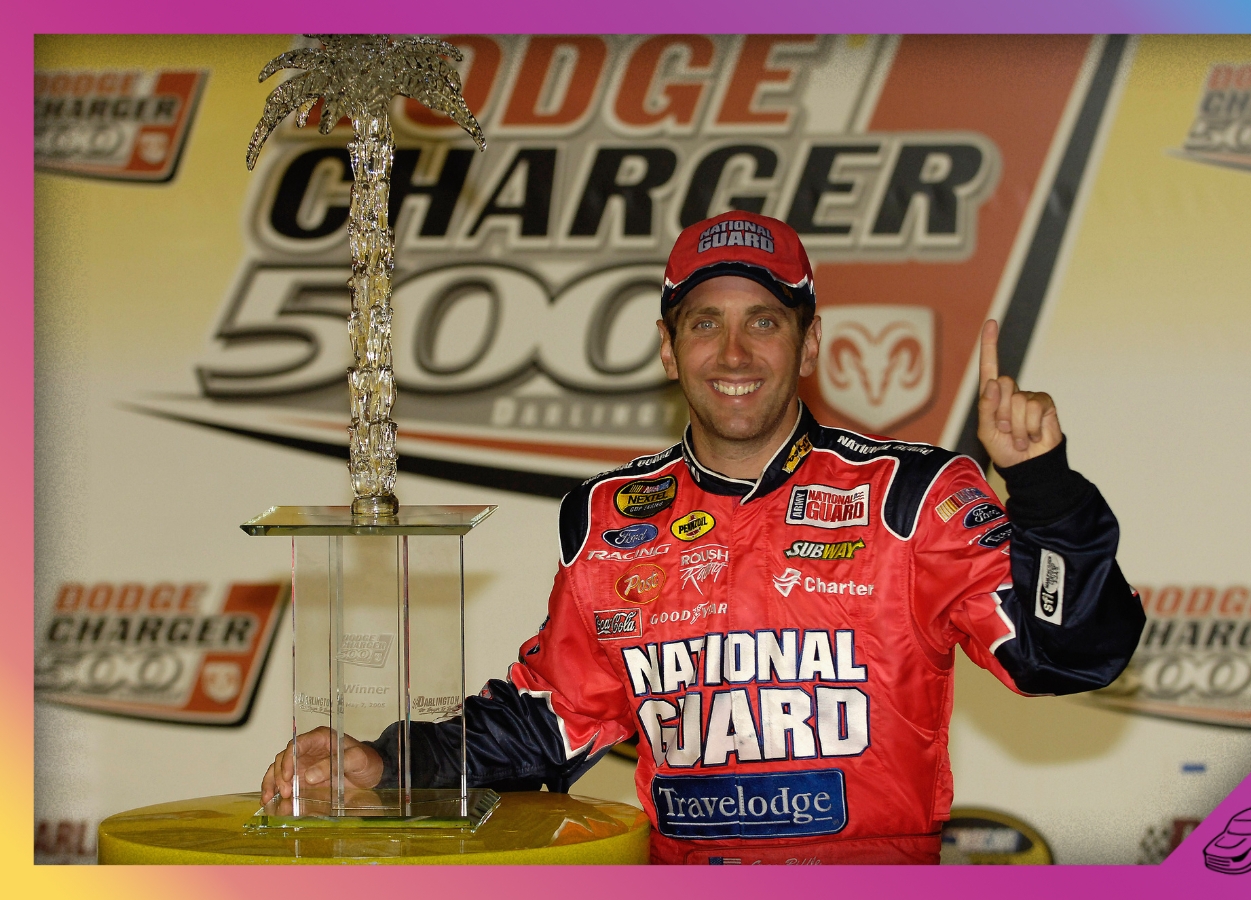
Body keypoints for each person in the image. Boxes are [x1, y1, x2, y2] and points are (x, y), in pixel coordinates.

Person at [261, 210, 1144, 864]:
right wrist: (387, 758)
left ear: (808, 346)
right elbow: (549, 722)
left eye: (764, 321)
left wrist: (1044, 488)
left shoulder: (909, 495)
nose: (733, 352)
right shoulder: (610, 521)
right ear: (666, 347)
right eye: (704, 323)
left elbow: (1068, 656)